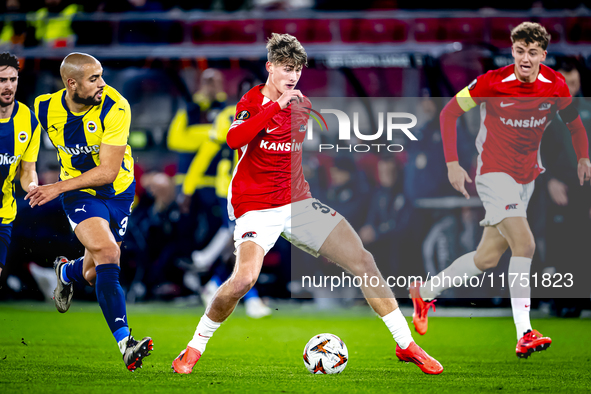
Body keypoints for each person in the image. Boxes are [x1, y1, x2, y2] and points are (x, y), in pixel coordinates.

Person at [171, 33, 443, 375]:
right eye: (286, 68)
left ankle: (406, 345)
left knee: (364, 261)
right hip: (255, 206)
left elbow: (292, 154)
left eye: (298, 69)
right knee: (243, 281)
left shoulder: (303, 104)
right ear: (270, 68)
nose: (293, 76)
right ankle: (194, 347)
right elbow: (233, 139)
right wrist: (275, 107)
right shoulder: (251, 102)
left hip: (298, 203)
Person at [409, 22, 591, 358]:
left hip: (527, 178)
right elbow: (449, 113)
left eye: (532, 52)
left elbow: (575, 123)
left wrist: (583, 158)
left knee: (486, 258)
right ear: (513, 51)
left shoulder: (555, 85)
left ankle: (425, 290)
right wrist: (452, 163)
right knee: (525, 243)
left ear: (542, 55)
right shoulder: (492, 82)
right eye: (519, 51)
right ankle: (524, 332)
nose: (525, 58)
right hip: (493, 174)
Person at [27, 53, 153, 371]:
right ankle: (126, 343)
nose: (102, 84)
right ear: (72, 84)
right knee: (109, 252)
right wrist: (29, 172)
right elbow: (23, 140)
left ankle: (64, 273)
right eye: (94, 79)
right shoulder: (44, 106)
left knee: (92, 272)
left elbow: (108, 172)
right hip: (80, 193)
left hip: (119, 193)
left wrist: (53, 187)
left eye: (102, 76)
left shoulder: (115, 106)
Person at [0, 52, 40, 279]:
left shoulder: (28, 119)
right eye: (1, 80)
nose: (8, 86)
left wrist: (32, 185)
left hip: (3, 214)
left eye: (12, 80)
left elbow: (27, 169)